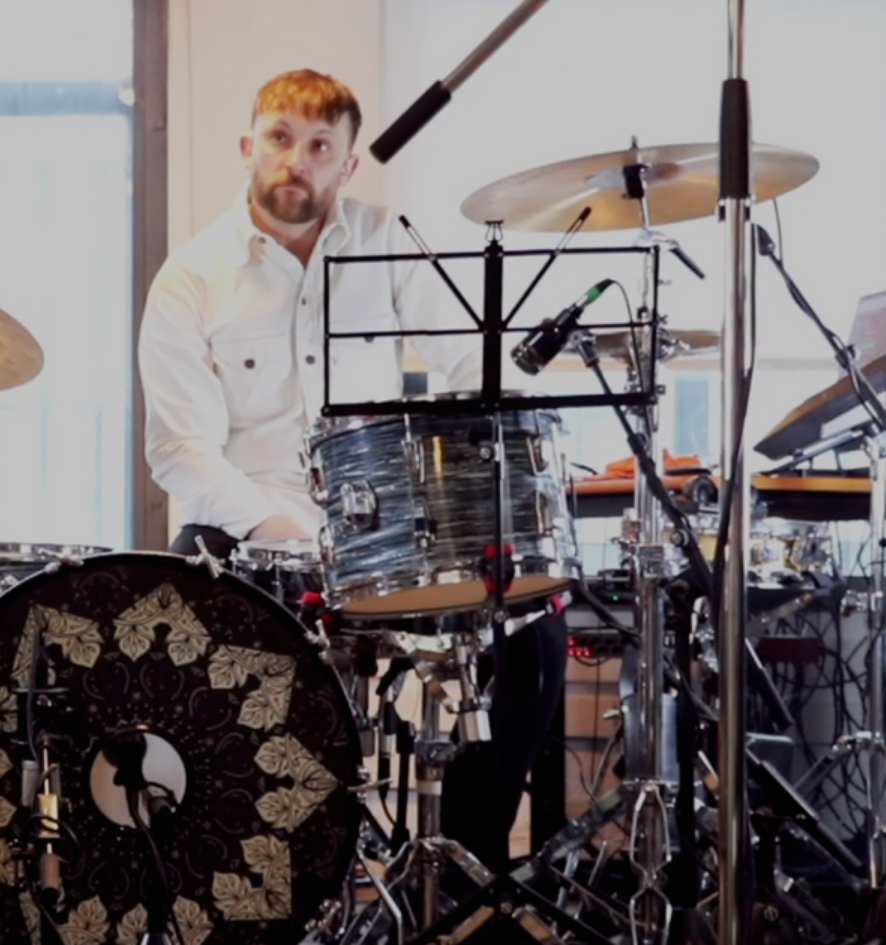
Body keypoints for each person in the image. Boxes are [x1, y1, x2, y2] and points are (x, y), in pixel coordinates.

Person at [136, 67, 571, 917]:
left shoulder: (390, 243)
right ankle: (234, 879)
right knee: (179, 623)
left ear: (348, 163)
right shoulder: (191, 276)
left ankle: (463, 883)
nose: (294, 161)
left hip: (390, 531)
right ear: (248, 145)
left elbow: (469, 369)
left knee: (531, 628)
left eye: (318, 146)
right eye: (279, 139)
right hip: (251, 530)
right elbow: (180, 451)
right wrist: (280, 528)